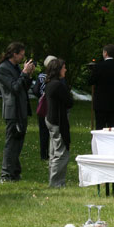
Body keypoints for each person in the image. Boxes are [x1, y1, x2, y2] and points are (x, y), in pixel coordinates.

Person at [0, 42, 35, 182]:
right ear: (14, 54)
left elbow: (24, 86)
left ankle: (15, 172)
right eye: (21, 55)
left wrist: (28, 75)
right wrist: (24, 73)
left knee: (18, 143)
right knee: (11, 142)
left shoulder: (16, 67)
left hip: (22, 109)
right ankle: (6, 174)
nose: (22, 58)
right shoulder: (3, 68)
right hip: (12, 111)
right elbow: (14, 87)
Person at [44, 59, 74, 187]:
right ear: (58, 70)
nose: (65, 70)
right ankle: (56, 183)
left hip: (51, 119)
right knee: (61, 153)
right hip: (58, 121)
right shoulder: (58, 85)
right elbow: (69, 102)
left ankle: (54, 180)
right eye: (63, 68)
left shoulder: (50, 83)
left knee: (53, 152)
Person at [89, 44, 114, 130]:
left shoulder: (98, 66)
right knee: (113, 128)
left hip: (100, 103)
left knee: (100, 127)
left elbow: (90, 81)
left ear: (105, 53)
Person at [32, 55, 57, 161]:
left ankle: (44, 154)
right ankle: (53, 153)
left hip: (43, 106)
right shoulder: (57, 77)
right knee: (54, 131)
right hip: (54, 106)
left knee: (43, 132)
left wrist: (41, 97)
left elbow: (35, 90)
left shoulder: (41, 76)